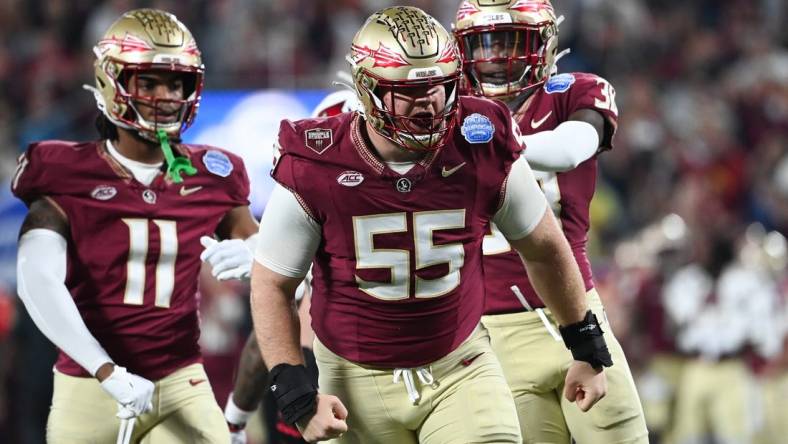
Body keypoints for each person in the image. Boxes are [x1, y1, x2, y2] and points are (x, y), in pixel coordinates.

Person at [250, 6, 612, 443]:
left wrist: (586, 342)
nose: (429, 103)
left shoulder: (481, 139)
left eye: (439, 87)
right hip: (353, 377)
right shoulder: (316, 160)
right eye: (410, 90)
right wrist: (295, 391)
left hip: (459, 366)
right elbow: (273, 283)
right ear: (367, 90)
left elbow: (544, 246)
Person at [13, 8, 259, 443]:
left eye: (176, 82)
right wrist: (105, 370)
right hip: (88, 382)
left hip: (181, 379)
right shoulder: (62, 170)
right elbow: (38, 280)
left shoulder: (215, 173)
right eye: (148, 82)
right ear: (113, 84)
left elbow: (280, 263)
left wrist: (257, 255)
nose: (165, 95)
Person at [453, 1, 648, 443]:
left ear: (542, 42)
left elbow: (570, 147)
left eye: (509, 41)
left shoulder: (572, 91)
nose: (496, 57)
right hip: (490, 330)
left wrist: (493, 144)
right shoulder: (451, 111)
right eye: (483, 43)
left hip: (574, 312)